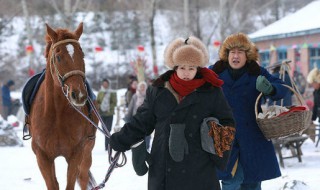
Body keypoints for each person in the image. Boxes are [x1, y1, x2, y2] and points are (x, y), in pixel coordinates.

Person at [110, 36, 236, 190]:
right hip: (164, 167)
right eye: (182, 67)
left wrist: (214, 135)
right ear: (174, 67)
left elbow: (228, 122)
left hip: (199, 167)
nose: (186, 73)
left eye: (191, 68)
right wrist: (121, 139)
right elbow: (142, 122)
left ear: (198, 68)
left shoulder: (211, 91)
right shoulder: (158, 90)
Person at [209, 33, 289, 190]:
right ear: (227, 54)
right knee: (231, 182)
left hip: (252, 138)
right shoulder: (215, 71)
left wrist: (271, 88)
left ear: (247, 55)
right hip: (225, 137)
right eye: (232, 52)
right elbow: (194, 81)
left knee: (252, 183)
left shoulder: (256, 71)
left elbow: (283, 89)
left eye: (240, 52)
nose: (236, 56)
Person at [124, 81, 152, 150]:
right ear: (139, 87)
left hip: (147, 118)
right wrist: (128, 116)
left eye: (143, 86)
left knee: (147, 133)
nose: (142, 88)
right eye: (141, 86)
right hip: (136, 118)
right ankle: (137, 147)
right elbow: (131, 107)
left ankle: (146, 146)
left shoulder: (149, 95)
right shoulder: (135, 96)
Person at [96, 78, 117, 151]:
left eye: (106, 84)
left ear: (108, 84)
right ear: (102, 84)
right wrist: (99, 106)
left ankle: (108, 145)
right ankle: (107, 145)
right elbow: (97, 101)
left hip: (109, 113)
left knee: (108, 129)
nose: (105, 85)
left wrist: (108, 107)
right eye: (104, 84)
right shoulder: (100, 92)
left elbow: (114, 102)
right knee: (104, 130)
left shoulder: (112, 92)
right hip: (102, 113)